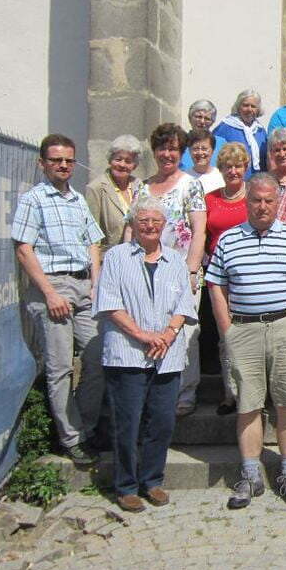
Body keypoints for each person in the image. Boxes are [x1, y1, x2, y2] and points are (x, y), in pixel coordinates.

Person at [206, 173, 286, 509]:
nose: (262, 206)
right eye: (256, 199)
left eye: (269, 200)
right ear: (247, 201)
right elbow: (216, 286)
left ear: (277, 202)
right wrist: (227, 330)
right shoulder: (228, 240)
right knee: (248, 404)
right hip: (244, 329)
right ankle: (251, 474)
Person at [96, 195, 198, 512]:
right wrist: (143, 335)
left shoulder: (176, 260)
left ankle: (152, 480)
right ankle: (126, 485)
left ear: (164, 225)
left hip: (166, 354)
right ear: (134, 224)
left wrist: (166, 335)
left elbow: (185, 303)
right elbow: (110, 301)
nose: (150, 226)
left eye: (156, 220)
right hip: (127, 353)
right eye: (144, 220)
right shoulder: (116, 257)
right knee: (128, 423)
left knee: (163, 421)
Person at [13, 134, 104, 465]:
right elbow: (23, 248)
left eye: (68, 160)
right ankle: (72, 438)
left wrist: (95, 283)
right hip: (53, 287)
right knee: (61, 367)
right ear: (42, 163)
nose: (64, 165)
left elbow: (94, 241)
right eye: (56, 160)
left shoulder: (77, 199)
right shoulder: (33, 200)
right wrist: (49, 293)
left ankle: (88, 427)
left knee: (98, 356)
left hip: (83, 287)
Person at [137, 123, 207, 417]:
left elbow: (199, 230)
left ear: (181, 153)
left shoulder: (190, 184)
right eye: (162, 148)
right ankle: (158, 389)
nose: (167, 154)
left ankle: (185, 392)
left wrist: (191, 271)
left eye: (174, 149)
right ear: (154, 151)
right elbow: (135, 228)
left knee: (185, 331)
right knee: (154, 328)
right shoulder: (143, 186)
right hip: (148, 270)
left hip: (181, 271)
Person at [203, 143, 252, 416]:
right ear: (220, 170)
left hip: (250, 275)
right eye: (227, 166)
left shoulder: (254, 197)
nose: (232, 170)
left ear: (246, 167)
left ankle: (252, 392)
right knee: (226, 336)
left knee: (252, 335)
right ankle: (230, 393)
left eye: (237, 165)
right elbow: (203, 235)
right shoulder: (210, 199)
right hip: (219, 277)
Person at [85, 134, 142, 254]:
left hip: (139, 257)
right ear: (110, 159)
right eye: (118, 159)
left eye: (128, 161)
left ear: (135, 165)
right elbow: (91, 235)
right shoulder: (96, 188)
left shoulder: (139, 185)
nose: (122, 164)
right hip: (109, 259)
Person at [213, 90, 266, 176]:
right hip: (232, 180)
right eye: (245, 105)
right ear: (238, 107)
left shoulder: (260, 131)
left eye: (253, 106)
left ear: (258, 110)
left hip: (256, 182)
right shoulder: (225, 128)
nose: (249, 109)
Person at [180, 99, 225, 172]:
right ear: (190, 117)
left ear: (212, 122)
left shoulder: (221, 143)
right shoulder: (180, 141)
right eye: (198, 117)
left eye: (207, 118)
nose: (202, 121)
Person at [186, 129, 225, 194]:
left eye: (204, 149)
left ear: (212, 151)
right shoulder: (183, 179)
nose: (200, 153)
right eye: (195, 148)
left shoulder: (221, 177)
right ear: (190, 151)